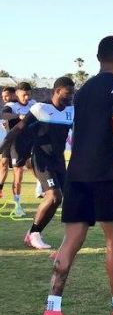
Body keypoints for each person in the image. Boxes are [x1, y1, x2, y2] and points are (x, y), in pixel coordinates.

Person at [40, 36, 113, 315]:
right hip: (105, 176)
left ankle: (52, 313)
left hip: (76, 174)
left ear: (98, 57)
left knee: (70, 243)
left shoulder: (84, 89)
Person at [2, 77, 75, 249]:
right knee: (54, 196)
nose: (70, 97)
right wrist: (3, 147)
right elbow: (18, 128)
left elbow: (76, 134)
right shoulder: (40, 108)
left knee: (59, 199)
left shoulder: (71, 110)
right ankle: (34, 234)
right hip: (41, 158)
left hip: (58, 160)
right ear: (56, 91)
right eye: (67, 94)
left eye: (72, 94)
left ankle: (34, 233)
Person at [1, 82, 36, 216]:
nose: (26, 97)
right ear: (17, 93)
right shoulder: (11, 106)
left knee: (33, 165)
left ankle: (41, 186)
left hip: (31, 141)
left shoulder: (33, 104)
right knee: (18, 173)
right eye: (24, 94)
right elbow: (4, 115)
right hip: (16, 143)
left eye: (28, 94)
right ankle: (17, 205)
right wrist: (18, 116)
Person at [0, 86, 17, 199]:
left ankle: (41, 186)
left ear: (13, 94)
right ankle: (0, 188)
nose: (4, 99)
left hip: (22, 142)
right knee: (4, 163)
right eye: (3, 97)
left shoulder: (21, 105)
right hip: (9, 140)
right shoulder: (7, 107)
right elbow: (4, 115)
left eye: (6, 96)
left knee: (30, 165)